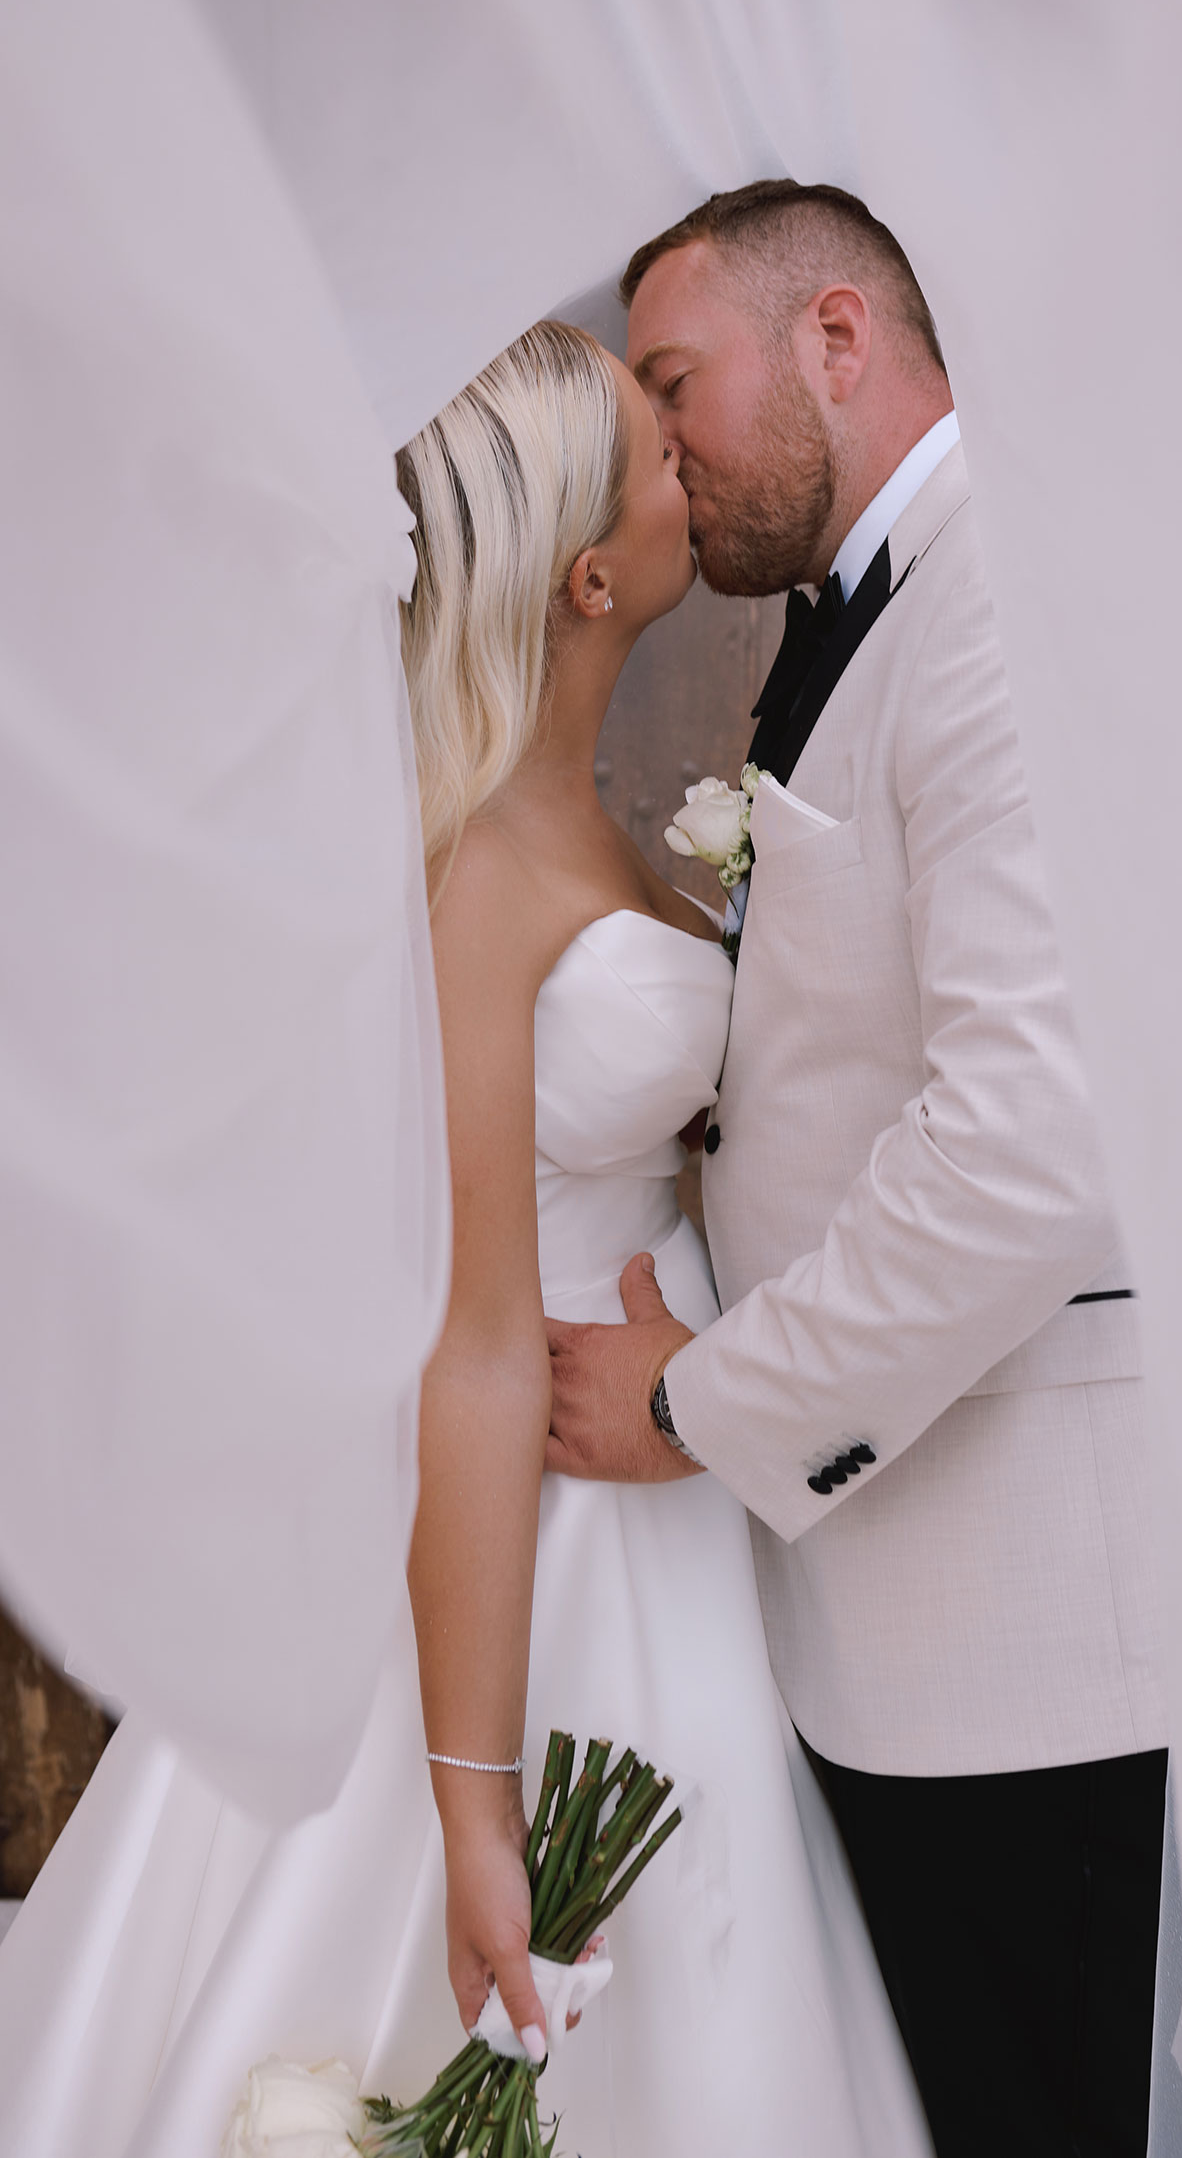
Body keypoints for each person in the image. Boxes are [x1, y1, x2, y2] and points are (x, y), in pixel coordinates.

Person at [0, 322, 932, 2158]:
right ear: (588, 574)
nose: (688, 457)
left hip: (670, 1491)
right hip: (523, 1505)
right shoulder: (478, 871)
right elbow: (474, 1340)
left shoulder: (572, 817)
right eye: (655, 447)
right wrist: (476, 1797)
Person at [544, 181, 1171, 2157]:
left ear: (835, 336)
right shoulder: (861, 611)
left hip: (1015, 1642)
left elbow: (1024, 1150)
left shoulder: (994, 605)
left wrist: (698, 1402)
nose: (662, 451)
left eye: (674, 385)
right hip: (900, 1620)